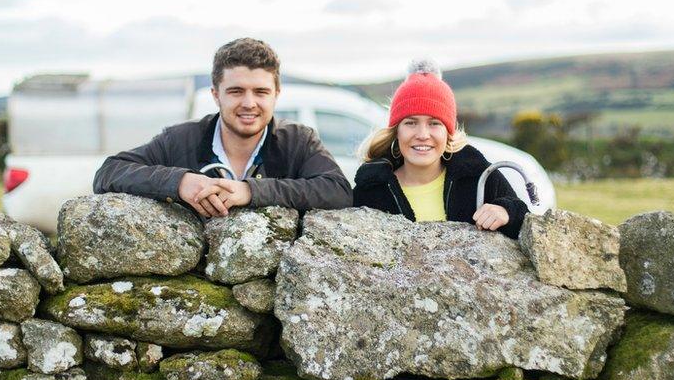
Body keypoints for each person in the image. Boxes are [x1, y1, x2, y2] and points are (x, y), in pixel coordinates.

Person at [93, 37, 352, 217]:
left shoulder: (299, 140)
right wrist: (179, 182)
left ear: (276, 94)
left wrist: (251, 190)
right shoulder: (180, 139)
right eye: (236, 91)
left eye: (261, 92)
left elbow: (338, 191)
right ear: (216, 94)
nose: (249, 103)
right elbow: (108, 172)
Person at [353, 60, 529, 239]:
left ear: (448, 133)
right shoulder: (371, 188)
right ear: (396, 131)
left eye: (434, 123)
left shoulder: (476, 176)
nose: (422, 134)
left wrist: (507, 212)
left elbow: (525, 221)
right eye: (411, 123)